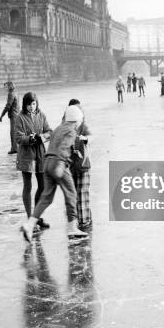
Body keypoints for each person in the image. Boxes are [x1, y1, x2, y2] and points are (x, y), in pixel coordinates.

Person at [21, 105, 89, 242]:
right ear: (76, 120)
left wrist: (72, 152)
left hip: (47, 162)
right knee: (71, 193)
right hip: (59, 163)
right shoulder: (71, 131)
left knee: (46, 197)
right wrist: (61, 162)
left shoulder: (59, 128)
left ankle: (29, 225)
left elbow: (55, 143)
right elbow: (63, 146)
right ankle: (72, 227)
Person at [15, 92, 52, 228]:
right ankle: (30, 217)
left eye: (34, 103)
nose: (32, 106)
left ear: (37, 103)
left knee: (42, 187)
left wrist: (41, 137)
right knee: (28, 186)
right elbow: (18, 137)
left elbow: (50, 132)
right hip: (26, 155)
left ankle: (37, 216)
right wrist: (29, 139)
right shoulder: (20, 118)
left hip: (40, 154)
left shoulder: (41, 115)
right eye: (29, 104)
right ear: (25, 105)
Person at [65, 99, 92, 231]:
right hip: (71, 165)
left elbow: (91, 136)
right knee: (73, 194)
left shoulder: (83, 125)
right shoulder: (66, 126)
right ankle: (77, 221)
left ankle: (85, 221)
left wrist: (85, 139)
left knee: (82, 193)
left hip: (83, 164)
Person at [0, 81, 19, 154]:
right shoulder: (16, 93)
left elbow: (8, 106)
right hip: (17, 114)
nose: (5, 88)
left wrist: (2, 115)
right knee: (15, 132)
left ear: (9, 87)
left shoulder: (11, 94)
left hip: (13, 115)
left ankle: (14, 149)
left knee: (13, 132)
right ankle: (16, 147)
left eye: (6, 87)